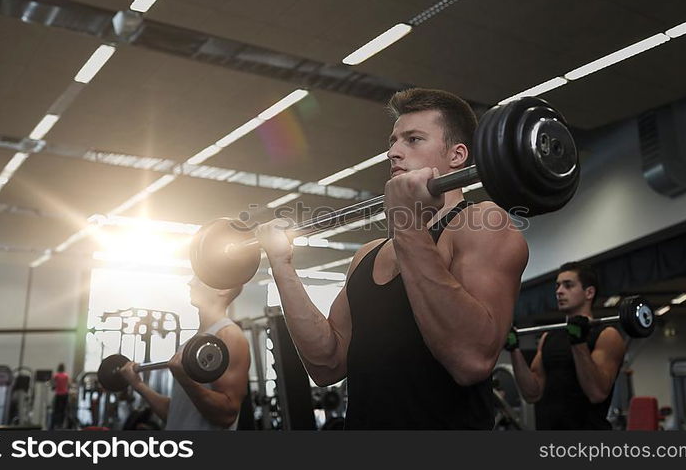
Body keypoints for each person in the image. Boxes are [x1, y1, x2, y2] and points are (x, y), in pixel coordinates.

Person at [256, 88, 528, 428]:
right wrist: (282, 267)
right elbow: (326, 365)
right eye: (393, 141)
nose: (392, 152)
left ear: (457, 156)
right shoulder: (367, 256)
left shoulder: (481, 224)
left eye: (413, 140)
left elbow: (471, 360)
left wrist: (406, 223)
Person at [118, 277, 250, 430]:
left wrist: (185, 379)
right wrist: (138, 385)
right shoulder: (191, 343)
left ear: (223, 289)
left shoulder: (230, 336)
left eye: (200, 279)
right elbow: (175, 413)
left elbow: (227, 415)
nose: (191, 283)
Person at [506, 262, 626, 429]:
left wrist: (578, 342)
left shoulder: (607, 335)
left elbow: (597, 392)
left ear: (589, 293)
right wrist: (514, 350)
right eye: (558, 286)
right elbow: (532, 394)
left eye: (568, 285)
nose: (559, 291)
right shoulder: (548, 337)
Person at [50, 363, 69, 429]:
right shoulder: (66, 376)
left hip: (58, 394)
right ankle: (61, 425)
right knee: (63, 410)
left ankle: (54, 425)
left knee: (56, 411)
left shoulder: (56, 376)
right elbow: (68, 385)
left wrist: (54, 387)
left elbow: (53, 385)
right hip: (65, 395)